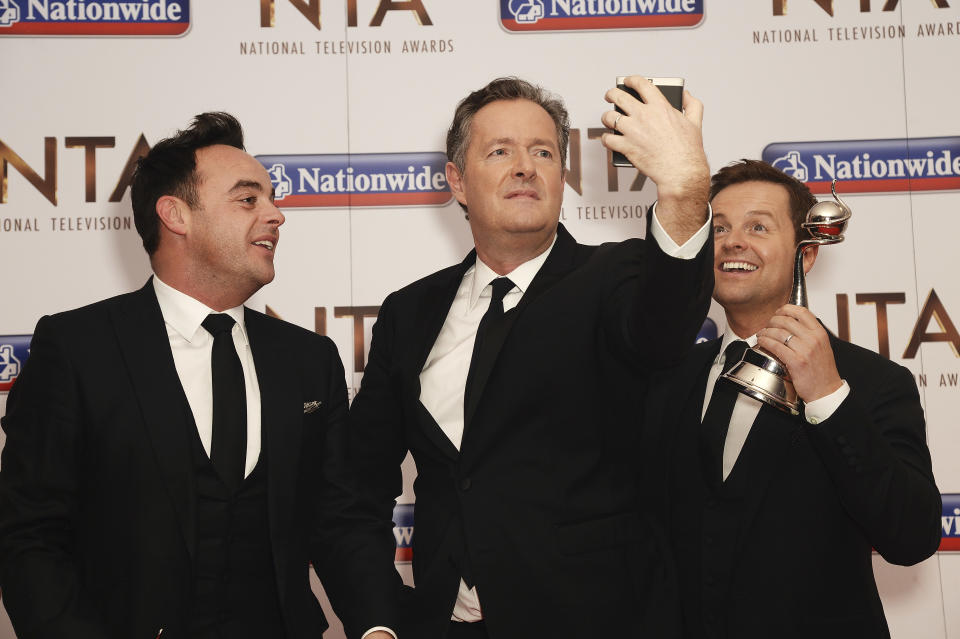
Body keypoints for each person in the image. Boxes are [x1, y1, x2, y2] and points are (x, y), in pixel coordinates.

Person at [0, 113, 397, 639]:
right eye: (249, 198)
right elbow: (29, 536)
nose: (276, 215)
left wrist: (377, 627)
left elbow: (342, 519)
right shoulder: (78, 349)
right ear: (176, 215)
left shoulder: (308, 359)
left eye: (273, 198)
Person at [348, 76, 714, 638]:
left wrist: (685, 190)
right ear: (457, 182)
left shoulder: (615, 276)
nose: (525, 167)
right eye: (500, 152)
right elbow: (359, 485)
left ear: (562, 178)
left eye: (543, 153)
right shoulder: (409, 312)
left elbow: (664, 331)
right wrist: (378, 620)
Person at [645, 159, 942, 639]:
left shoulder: (872, 382)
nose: (733, 241)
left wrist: (827, 395)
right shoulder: (668, 381)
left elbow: (911, 537)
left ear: (807, 255)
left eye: (758, 226)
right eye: (718, 228)